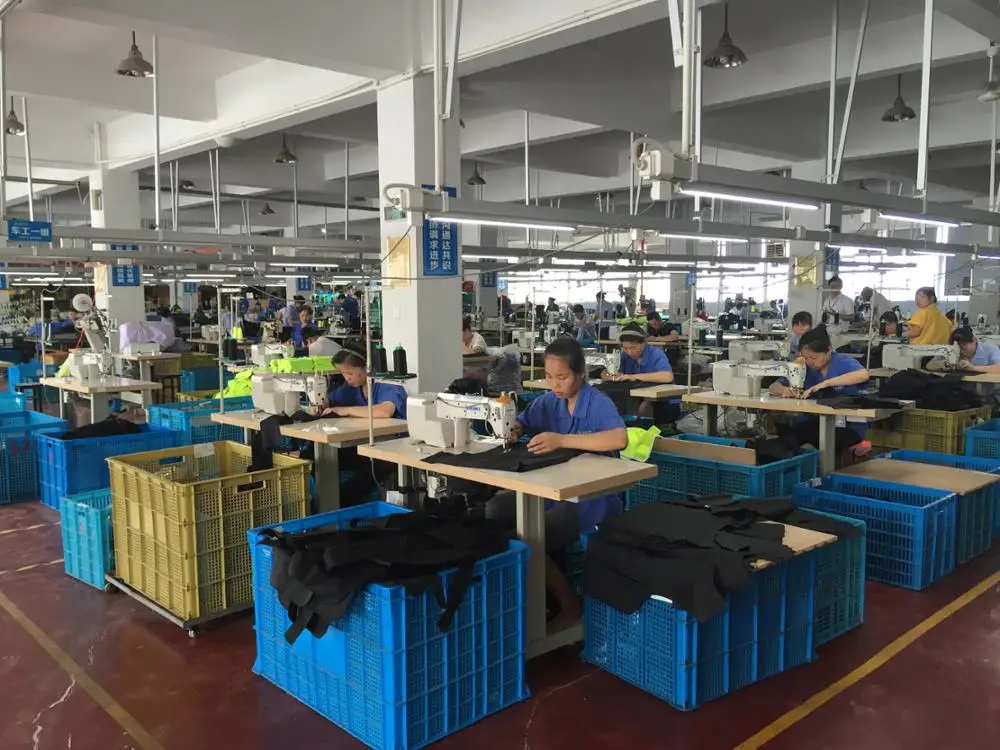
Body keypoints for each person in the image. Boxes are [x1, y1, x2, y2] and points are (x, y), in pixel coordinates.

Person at [487, 338, 627, 628]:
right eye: (549, 377)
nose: (555, 384)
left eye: (562, 377)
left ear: (581, 373)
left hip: (590, 498)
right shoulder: (548, 402)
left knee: (527, 538)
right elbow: (523, 422)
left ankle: (568, 603)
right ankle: (525, 600)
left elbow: (619, 438)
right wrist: (514, 427)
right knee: (493, 512)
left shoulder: (597, 402)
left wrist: (562, 440)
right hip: (551, 490)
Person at [313, 345, 407, 505]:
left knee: (355, 485)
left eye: (349, 373)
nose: (346, 378)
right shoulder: (351, 388)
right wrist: (320, 403)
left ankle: (341, 507)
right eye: (343, 373)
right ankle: (323, 501)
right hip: (365, 446)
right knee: (317, 458)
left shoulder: (387, 383)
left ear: (366, 367)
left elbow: (385, 411)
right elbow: (330, 400)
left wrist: (346, 410)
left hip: (392, 451)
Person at [770, 328, 871, 454]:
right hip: (816, 424)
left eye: (813, 357)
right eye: (805, 357)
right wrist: (784, 390)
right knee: (795, 433)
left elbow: (863, 374)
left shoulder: (842, 362)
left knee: (805, 431)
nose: (809, 362)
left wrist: (826, 383)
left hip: (848, 427)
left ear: (828, 350)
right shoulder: (804, 368)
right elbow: (774, 386)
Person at [602, 325, 673, 385]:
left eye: (633, 347)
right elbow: (605, 372)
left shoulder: (655, 353)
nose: (629, 352)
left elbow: (668, 376)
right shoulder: (624, 355)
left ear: (644, 342)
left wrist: (632, 377)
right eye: (625, 348)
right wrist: (610, 376)